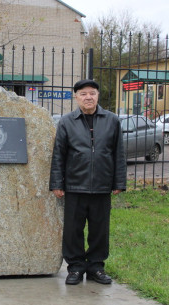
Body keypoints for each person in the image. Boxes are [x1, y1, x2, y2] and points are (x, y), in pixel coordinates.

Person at [49, 79, 126, 285]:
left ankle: (95, 267)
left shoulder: (112, 120)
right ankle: (75, 267)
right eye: (83, 94)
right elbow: (59, 155)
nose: (88, 97)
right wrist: (57, 183)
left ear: (98, 96)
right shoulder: (66, 122)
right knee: (73, 230)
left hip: (102, 185)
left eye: (92, 93)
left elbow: (118, 153)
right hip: (75, 184)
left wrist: (119, 181)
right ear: (76, 97)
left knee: (99, 229)